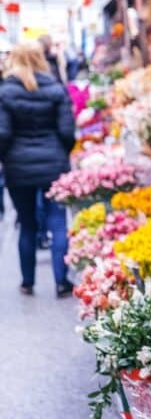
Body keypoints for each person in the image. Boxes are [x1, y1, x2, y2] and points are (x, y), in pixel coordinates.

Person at [0, 42, 75, 297]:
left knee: (28, 224)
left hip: (18, 168)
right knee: (57, 222)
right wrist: (60, 155)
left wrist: (7, 159)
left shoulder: (5, 92)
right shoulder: (56, 89)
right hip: (53, 163)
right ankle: (62, 281)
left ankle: (28, 281)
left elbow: (3, 134)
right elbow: (67, 132)